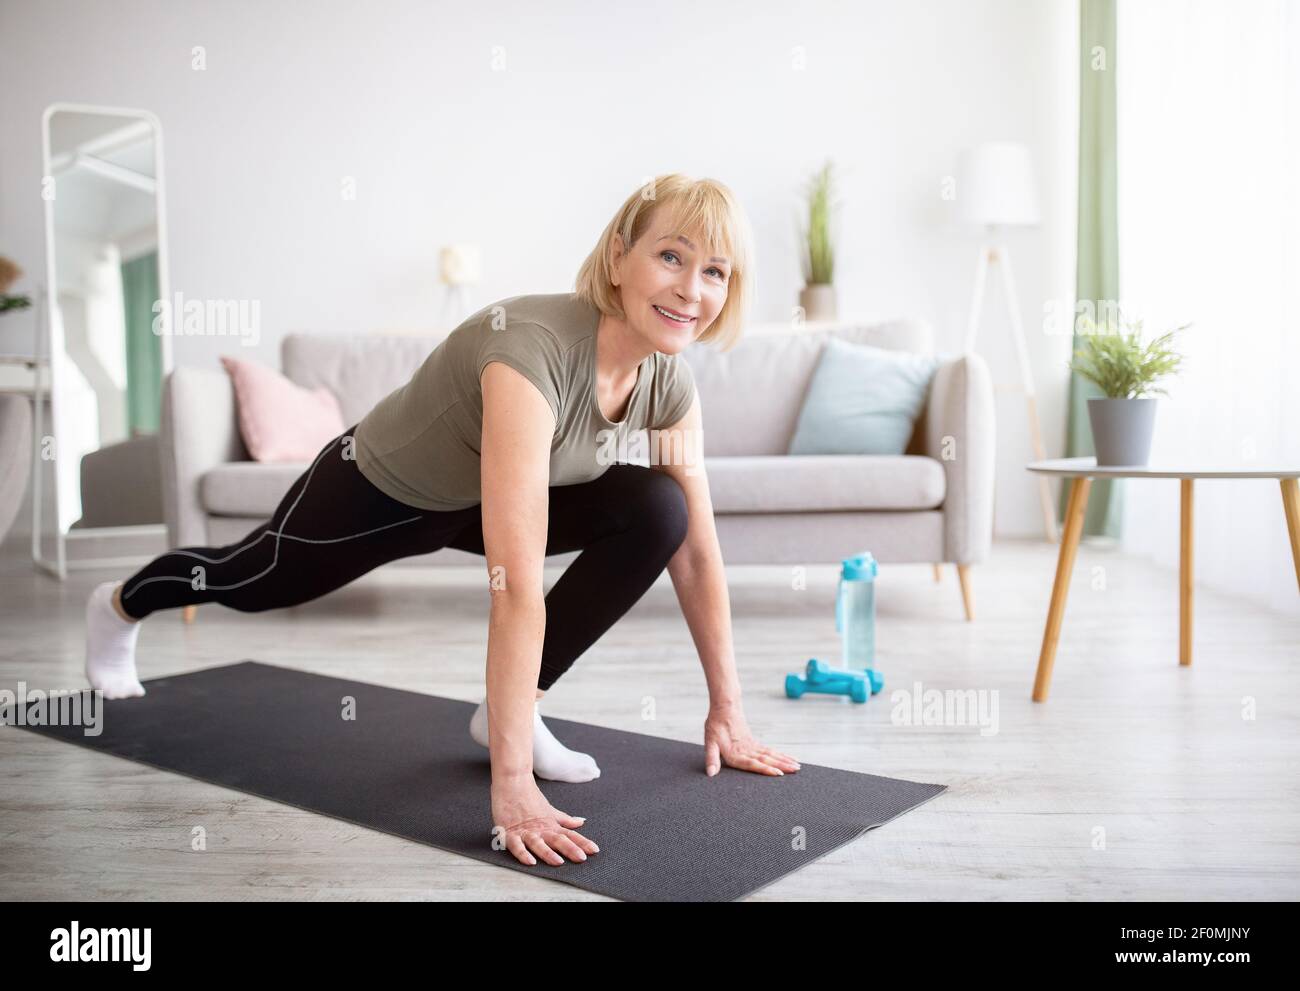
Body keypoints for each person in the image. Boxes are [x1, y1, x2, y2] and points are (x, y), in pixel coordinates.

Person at [83, 173, 801, 869]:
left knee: (659, 509)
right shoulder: (530, 352)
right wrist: (511, 783)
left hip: (481, 500)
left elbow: (698, 554)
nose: (690, 288)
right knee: (250, 576)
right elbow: (515, 583)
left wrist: (728, 711)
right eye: (670, 255)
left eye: (715, 271)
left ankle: (506, 710)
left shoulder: (668, 382)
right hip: (382, 489)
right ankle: (120, 604)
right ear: (619, 256)